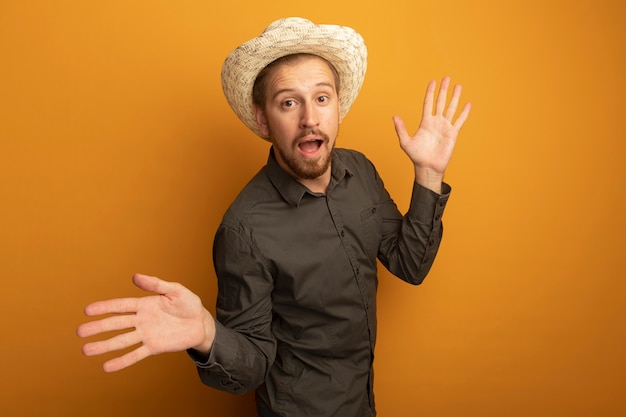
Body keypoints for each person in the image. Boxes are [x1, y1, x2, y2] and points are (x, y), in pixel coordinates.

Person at [77, 17, 471, 417]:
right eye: (288, 102)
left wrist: (429, 174)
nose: (310, 119)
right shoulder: (244, 230)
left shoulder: (362, 172)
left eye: (321, 98)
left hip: (363, 402)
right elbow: (252, 366)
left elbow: (410, 264)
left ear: (337, 105)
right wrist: (208, 334)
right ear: (263, 119)